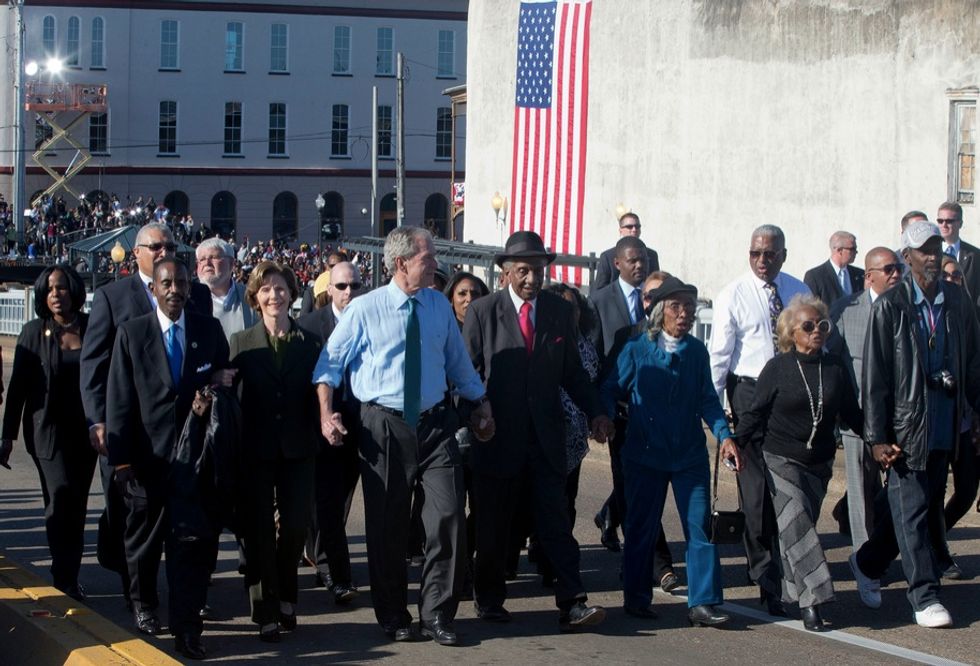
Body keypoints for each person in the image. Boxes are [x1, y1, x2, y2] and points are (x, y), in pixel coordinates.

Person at [316, 227, 494, 647]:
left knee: (448, 516)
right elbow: (329, 364)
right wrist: (326, 413)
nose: (436, 265)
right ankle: (394, 614)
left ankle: (436, 613)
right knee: (388, 527)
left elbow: (458, 363)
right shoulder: (366, 309)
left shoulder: (438, 306)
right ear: (401, 263)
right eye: (427, 258)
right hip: (384, 427)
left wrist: (481, 401)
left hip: (435, 425)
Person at [463, 230, 614, 632]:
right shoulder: (483, 312)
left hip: (546, 441)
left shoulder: (558, 312)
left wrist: (596, 413)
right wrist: (477, 411)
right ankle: (489, 599)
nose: (532, 279)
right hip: (496, 439)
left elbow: (573, 374)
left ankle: (573, 602)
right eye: (524, 271)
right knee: (494, 527)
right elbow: (466, 372)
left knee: (556, 524)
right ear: (507, 272)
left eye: (538, 270)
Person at [851, 221, 980, 629]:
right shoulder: (891, 306)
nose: (932, 257)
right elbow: (875, 377)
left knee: (915, 510)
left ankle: (867, 563)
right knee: (913, 514)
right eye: (923, 250)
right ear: (907, 257)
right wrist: (876, 437)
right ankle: (925, 595)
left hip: (947, 425)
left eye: (936, 248)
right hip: (906, 429)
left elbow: (974, 362)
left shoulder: (957, 300)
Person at [80, 222, 212, 615]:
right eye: (156, 246)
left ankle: (186, 601)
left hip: (184, 436)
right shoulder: (112, 297)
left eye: (169, 246)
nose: (164, 251)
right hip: (130, 432)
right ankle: (137, 596)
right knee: (133, 521)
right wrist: (98, 421)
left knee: (186, 524)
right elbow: (95, 365)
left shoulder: (196, 294)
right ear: (136, 251)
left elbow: (206, 352)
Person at [106, 258, 231, 659]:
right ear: (154, 289)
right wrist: (121, 463)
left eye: (180, 282)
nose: (174, 289)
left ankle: (187, 630)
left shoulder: (208, 330)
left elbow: (224, 379)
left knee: (189, 550)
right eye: (166, 283)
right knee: (143, 543)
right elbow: (119, 400)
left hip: (193, 464)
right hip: (147, 463)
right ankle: (143, 604)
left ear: (189, 287)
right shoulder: (132, 333)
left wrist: (213, 393)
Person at [602, 276, 739, 626]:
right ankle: (636, 598)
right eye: (676, 306)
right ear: (660, 311)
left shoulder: (696, 352)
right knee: (641, 528)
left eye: (689, 307)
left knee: (700, 528)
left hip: (689, 456)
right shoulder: (637, 349)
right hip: (645, 455)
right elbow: (611, 387)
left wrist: (725, 436)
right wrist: (603, 417)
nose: (684, 313)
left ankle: (703, 603)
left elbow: (708, 399)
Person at [735, 295, 862, 631]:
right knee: (798, 523)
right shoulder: (777, 368)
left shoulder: (835, 367)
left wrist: (878, 442)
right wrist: (736, 442)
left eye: (822, 325)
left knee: (794, 531)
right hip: (781, 460)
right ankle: (813, 601)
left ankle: (780, 588)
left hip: (819, 464)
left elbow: (852, 413)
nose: (816, 330)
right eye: (808, 326)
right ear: (792, 333)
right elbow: (755, 412)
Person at [708, 224, 810, 616]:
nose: (762, 261)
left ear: (783, 255)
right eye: (755, 253)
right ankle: (765, 577)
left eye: (769, 254)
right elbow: (720, 356)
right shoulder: (733, 294)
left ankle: (791, 570)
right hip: (748, 395)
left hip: (790, 396)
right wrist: (716, 412)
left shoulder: (798, 291)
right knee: (755, 495)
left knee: (789, 489)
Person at [229, 262, 321, 642]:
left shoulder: (311, 343)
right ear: (255, 297)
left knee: (296, 527)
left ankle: (286, 594)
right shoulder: (240, 343)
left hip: (299, 447)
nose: (273, 296)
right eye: (265, 289)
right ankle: (265, 610)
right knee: (259, 532)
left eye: (280, 288)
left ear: (292, 294)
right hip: (255, 449)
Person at [1, 265, 94, 600]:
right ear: (43, 294)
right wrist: (7, 436)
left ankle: (71, 573)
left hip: (85, 433)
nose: (56, 294)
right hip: (47, 433)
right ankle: (62, 576)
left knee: (78, 505)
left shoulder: (91, 327)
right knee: (60, 498)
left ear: (74, 291)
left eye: (62, 287)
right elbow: (17, 389)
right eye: (51, 289)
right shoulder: (32, 332)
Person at [826, 247, 900, 551]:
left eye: (898, 269)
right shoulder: (846, 310)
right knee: (860, 489)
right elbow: (832, 359)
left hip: (898, 416)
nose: (896, 274)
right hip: (858, 416)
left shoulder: (906, 308)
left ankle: (882, 546)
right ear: (869, 276)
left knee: (895, 489)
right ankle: (864, 554)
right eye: (889, 269)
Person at [298, 261, 364, 604]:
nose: (349, 292)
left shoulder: (370, 320)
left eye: (355, 285)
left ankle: (322, 556)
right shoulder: (309, 327)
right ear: (329, 290)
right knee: (328, 501)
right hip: (323, 426)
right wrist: (319, 419)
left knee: (342, 501)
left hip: (364, 424)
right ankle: (337, 575)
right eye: (341, 286)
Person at [535, 283, 600, 588]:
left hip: (575, 434)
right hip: (546, 429)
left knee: (567, 499)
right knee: (546, 499)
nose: (569, 313)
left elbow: (588, 383)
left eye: (573, 307)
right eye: (563, 307)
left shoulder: (584, 344)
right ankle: (543, 554)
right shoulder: (544, 339)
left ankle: (557, 563)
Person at [937, 255, 979, 578]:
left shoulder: (967, 313)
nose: (953, 281)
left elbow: (975, 364)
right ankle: (935, 551)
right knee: (930, 493)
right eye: (947, 276)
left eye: (957, 276)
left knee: (966, 490)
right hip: (935, 419)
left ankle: (936, 538)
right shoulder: (927, 314)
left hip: (964, 418)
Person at [196, 237, 257, 341]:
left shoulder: (252, 297)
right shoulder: (188, 300)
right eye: (201, 259)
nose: (207, 263)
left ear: (231, 264)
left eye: (214, 257)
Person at [593, 212, 660, 290]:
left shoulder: (651, 255)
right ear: (620, 230)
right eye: (629, 227)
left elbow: (656, 284)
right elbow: (600, 289)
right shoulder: (608, 257)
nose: (634, 230)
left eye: (637, 226)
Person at [937, 201, 980, 316]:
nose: (944, 225)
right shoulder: (931, 254)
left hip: (966, 318)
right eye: (940, 221)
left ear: (960, 224)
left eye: (949, 221)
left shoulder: (975, 255)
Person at [803, 231, 864, 305]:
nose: (856, 252)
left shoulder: (860, 274)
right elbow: (810, 307)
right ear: (839, 251)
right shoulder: (815, 276)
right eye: (852, 249)